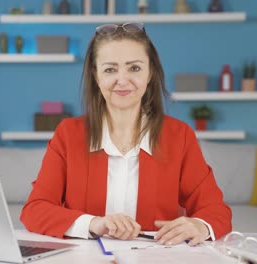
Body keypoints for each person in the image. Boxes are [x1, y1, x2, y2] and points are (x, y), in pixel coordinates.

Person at [20, 22, 231, 246]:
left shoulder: (179, 136)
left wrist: (199, 225)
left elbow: (216, 211)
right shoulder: (68, 134)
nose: (122, 80)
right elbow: (35, 210)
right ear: (96, 75)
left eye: (134, 68)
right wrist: (93, 223)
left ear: (150, 72)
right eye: (110, 69)